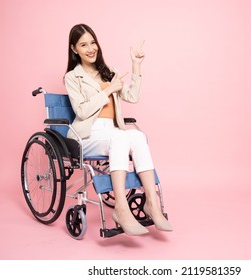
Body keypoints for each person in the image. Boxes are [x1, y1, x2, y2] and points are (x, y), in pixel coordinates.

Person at [64, 24, 172, 235]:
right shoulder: (72, 77)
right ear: (74, 49)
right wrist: (109, 90)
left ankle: (152, 203)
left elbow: (132, 97)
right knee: (120, 138)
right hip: (86, 133)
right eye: (83, 45)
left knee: (138, 136)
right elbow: (82, 111)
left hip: (112, 131)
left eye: (93, 42)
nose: (90, 48)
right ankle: (121, 209)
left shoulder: (108, 71)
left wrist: (136, 66)